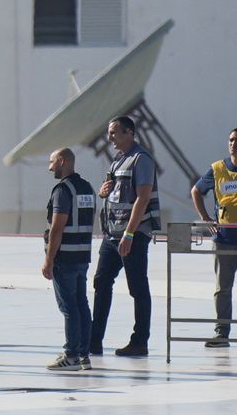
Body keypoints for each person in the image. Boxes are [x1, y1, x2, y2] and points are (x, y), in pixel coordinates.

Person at [90, 116, 160, 358]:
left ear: (129, 132)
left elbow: (143, 197)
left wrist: (129, 233)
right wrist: (103, 191)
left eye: (114, 132)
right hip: (112, 234)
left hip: (133, 234)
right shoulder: (118, 160)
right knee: (101, 282)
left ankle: (140, 341)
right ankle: (94, 340)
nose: (109, 137)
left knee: (137, 287)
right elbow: (114, 191)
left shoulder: (141, 159)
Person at [42, 148, 95, 371]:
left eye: (52, 162)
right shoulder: (87, 188)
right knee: (81, 305)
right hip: (82, 256)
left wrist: (49, 259)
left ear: (62, 161)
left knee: (69, 307)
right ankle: (84, 355)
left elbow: (57, 228)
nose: (50, 167)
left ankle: (71, 355)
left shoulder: (63, 190)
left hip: (65, 258)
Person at [189, 128, 237, 349]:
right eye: (231, 140)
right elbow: (196, 191)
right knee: (223, 289)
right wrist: (205, 218)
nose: (233, 144)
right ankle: (222, 333)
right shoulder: (218, 169)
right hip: (224, 239)